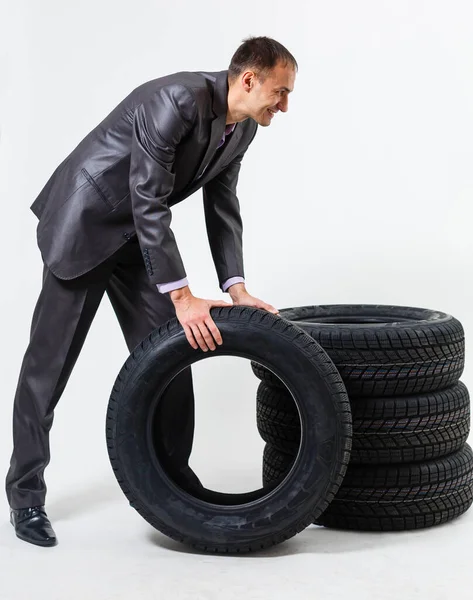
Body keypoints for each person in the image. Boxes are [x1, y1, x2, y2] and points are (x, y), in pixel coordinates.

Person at [5, 35, 297, 547]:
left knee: (171, 353)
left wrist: (236, 287)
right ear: (248, 80)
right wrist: (183, 294)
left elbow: (222, 206)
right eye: (280, 91)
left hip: (139, 239)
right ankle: (25, 496)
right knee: (46, 372)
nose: (285, 105)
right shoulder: (176, 100)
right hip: (86, 227)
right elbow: (148, 196)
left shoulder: (243, 128)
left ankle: (173, 482)